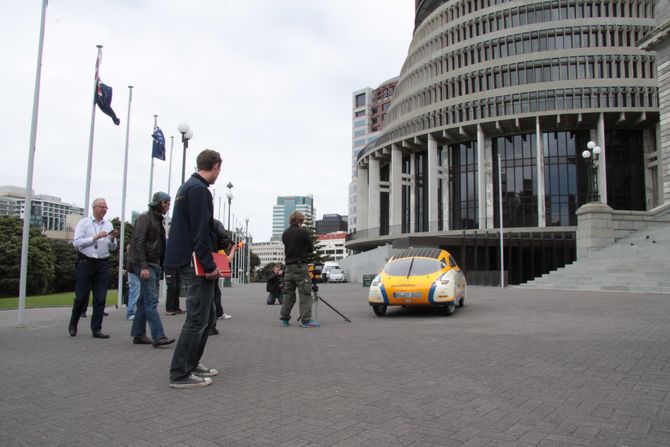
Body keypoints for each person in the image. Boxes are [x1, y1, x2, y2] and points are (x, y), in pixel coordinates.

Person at [165, 149, 223, 389]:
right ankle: (180, 373)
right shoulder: (199, 190)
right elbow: (200, 231)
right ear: (216, 165)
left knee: (207, 315)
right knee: (197, 317)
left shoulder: (186, 187)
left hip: (184, 258)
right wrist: (209, 265)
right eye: (220, 169)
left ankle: (192, 362)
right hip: (196, 263)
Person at [128, 191, 176, 348]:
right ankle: (159, 336)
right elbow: (138, 243)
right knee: (151, 301)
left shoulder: (157, 221)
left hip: (153, 264)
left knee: (143, 301)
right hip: (146, 264)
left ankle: (138, 334)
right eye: (168, 203)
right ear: (162, 203)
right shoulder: (145, 219)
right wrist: (143, 266)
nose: (169, 206)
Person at [68, 198, 118, 338]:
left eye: (106, 207)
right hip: (86, 262)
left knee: (100, 298)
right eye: (102, 206)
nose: (104, 209)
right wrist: (94, 238)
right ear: (94, 207)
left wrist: (113, 239)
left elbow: (112, 248)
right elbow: (77, 243)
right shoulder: (84, 223)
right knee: (81, 297)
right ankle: (73, 323)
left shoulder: (108, 225)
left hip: (102, 263)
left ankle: (96, 329)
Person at [279, 211, 319, 327]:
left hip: (288, 268)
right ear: (299, 221)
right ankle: (305, 320)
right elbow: (310, 248)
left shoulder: (285, 234)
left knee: (288, 295)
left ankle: (284, 319)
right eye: (302, 221)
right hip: (300, 267)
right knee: (305, 294)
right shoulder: (303, 232)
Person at [209, 219, 236, 335]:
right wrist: (233, 250)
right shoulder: (217, 248)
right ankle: (213, 321)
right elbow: (227, 260)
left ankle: (213, 320)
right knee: (213, 296)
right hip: (210, 271)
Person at [125, 244, 140, 320]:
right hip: (134, 270)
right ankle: (131, 312)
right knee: (134, 292)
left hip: (132, 270)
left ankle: (132, 312)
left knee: (134, 292)